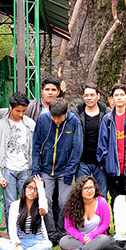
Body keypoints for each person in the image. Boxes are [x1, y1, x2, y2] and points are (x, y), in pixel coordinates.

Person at [31, 97, 83, 235]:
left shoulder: (74, 122)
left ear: (66, 113)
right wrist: (36, 168)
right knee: (45, 201)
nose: (56, 120)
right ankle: (51, 232)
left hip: (65, 170)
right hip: (46, 169)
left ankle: (62, 231)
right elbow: (36, 145)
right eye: (53, 117)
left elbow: (77, 148)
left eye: (59, 118)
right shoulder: (42, 120)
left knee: (64, 202)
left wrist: (70, 171)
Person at [0, 92, 35, 218]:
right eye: (18, 111)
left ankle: (25, 229)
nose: (21, 114)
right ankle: (11, 230)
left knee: (28, 204)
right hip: (7, 169)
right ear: (11, 107)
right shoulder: (0, 125)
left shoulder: (30, 124)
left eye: (24, 111)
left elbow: (35, 149)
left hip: (26, 169)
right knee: (10, 205)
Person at [97, 84, 126, 202]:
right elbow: (103, 143)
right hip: (113, 168)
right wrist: (106, 161)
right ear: (112, 99)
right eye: (116, 95)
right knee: (116, 201)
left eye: (122, 95)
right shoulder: (107, 119)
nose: (119, 97)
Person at [0, 175, 53, 250]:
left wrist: (41, 188)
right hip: (21, 241)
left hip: (38, 241)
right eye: (30, 188)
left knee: (48, 245)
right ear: (24, 188)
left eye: (36, 189)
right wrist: (17, 245)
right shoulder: (15, 205)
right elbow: (12, 229)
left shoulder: (40, 204)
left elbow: (44, 211)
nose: (32, 191)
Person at [58, 175, 112, 250]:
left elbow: (105, 224)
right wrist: (82, 238)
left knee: (105, 239)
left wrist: (91, 236)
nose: (89, 191)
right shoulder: (71, 204)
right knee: (64, 241)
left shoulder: (102, 202)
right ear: (79, 190)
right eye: (86, 188)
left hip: (96, 238)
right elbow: (68, 227)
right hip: (78, 239)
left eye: (91, 187)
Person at [74, 84, 109, 198]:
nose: (89, 98)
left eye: (92, 95)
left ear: (98, 96)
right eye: (86, 95)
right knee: (81, 195)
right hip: (82, 162)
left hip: (100, 163)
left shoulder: (107, 113)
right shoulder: (77, 113)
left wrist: (105, 159)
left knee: (101, 195)